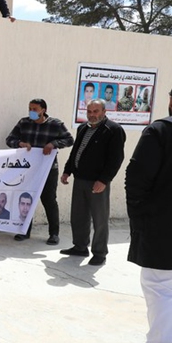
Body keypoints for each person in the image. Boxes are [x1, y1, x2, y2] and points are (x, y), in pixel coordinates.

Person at [122, 78, 172, 343]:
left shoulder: (162, 130)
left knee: (165, 291)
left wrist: (140, 221)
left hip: (167, 231)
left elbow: (136, 180)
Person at [60, 100, 126, 266]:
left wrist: (104, 180)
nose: (92, 115)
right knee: (78, 216)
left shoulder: (113, 130)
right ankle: (80, 246)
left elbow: (116, 159)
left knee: (99, 219)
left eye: (96, 111)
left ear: (104, 111)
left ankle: (99, 253)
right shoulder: (83, 128)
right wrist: (67, 171)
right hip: (80, 179)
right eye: (89, 111)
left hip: (97, 182)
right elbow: (76, 151)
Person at [6, 98, 74, 244]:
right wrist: (20, 143)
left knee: (49, 200)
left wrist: (53, 144)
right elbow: (9, 139)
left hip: (48, 169)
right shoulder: (24, 123)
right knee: (26, 199)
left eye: (35, 109)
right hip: (28, 169)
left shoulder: (56, 124)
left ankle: (54, 234)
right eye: (30, 109)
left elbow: (69, 140)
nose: (31, 112)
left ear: (43, 110)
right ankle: (24, 231)